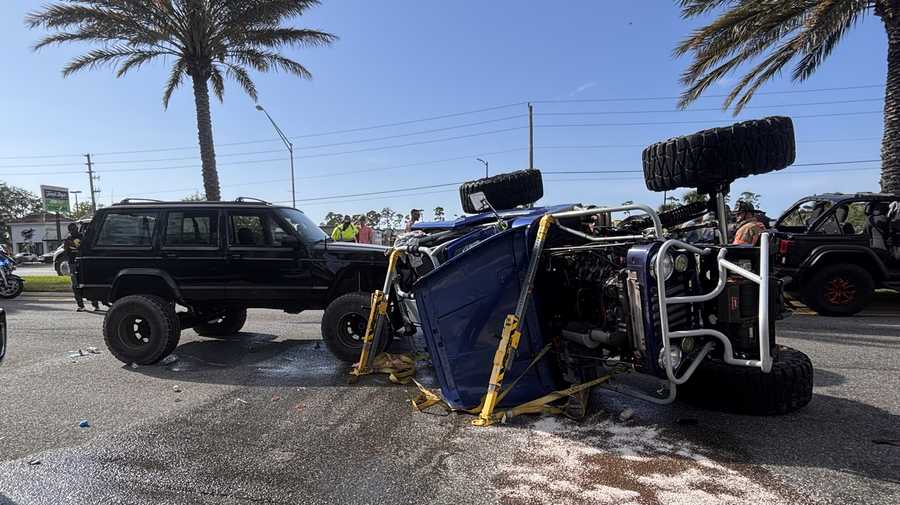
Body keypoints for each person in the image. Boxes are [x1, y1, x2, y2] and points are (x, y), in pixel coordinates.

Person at [63, 222, 98, 312]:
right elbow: (66, 252)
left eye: (74, 229)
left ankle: (95, 305)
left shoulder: (83, 237)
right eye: (71, 230)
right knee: (75, 285)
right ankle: (81, 305)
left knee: (89, 283)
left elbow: (88, 248)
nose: (73, 231)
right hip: (73, 263)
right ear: (69, 231)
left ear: (77, 229)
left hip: (83, 263)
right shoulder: (68, 239)